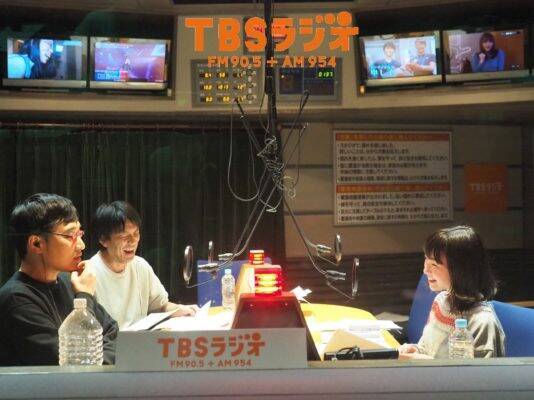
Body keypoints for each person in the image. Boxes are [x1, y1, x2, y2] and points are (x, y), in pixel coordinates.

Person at [0, 193, 118, 366]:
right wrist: (84, 297)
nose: (81, 245)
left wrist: (97, 359)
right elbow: (70, 364)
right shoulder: (16, 299)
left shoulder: (70, 282)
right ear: (36, 244)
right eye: (70, 236)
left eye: (80, 234)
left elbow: (114, 333)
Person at [398, 225, 505, 359]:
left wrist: (425, 362)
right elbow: (428, 349)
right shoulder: (441, 300)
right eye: (426, 259)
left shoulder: (482, 321)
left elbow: (478, 372)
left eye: (434, 265)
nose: (425, 270)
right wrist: (416, 349)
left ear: (459, 270)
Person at [89, 201, 198, 329]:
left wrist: (180, 309)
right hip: (108, 341)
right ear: (103, 240)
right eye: (124, 236)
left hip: (141, 339)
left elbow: (161, 306)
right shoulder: (89, 273)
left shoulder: (141, 266)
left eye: (136, 234)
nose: (132, 241)